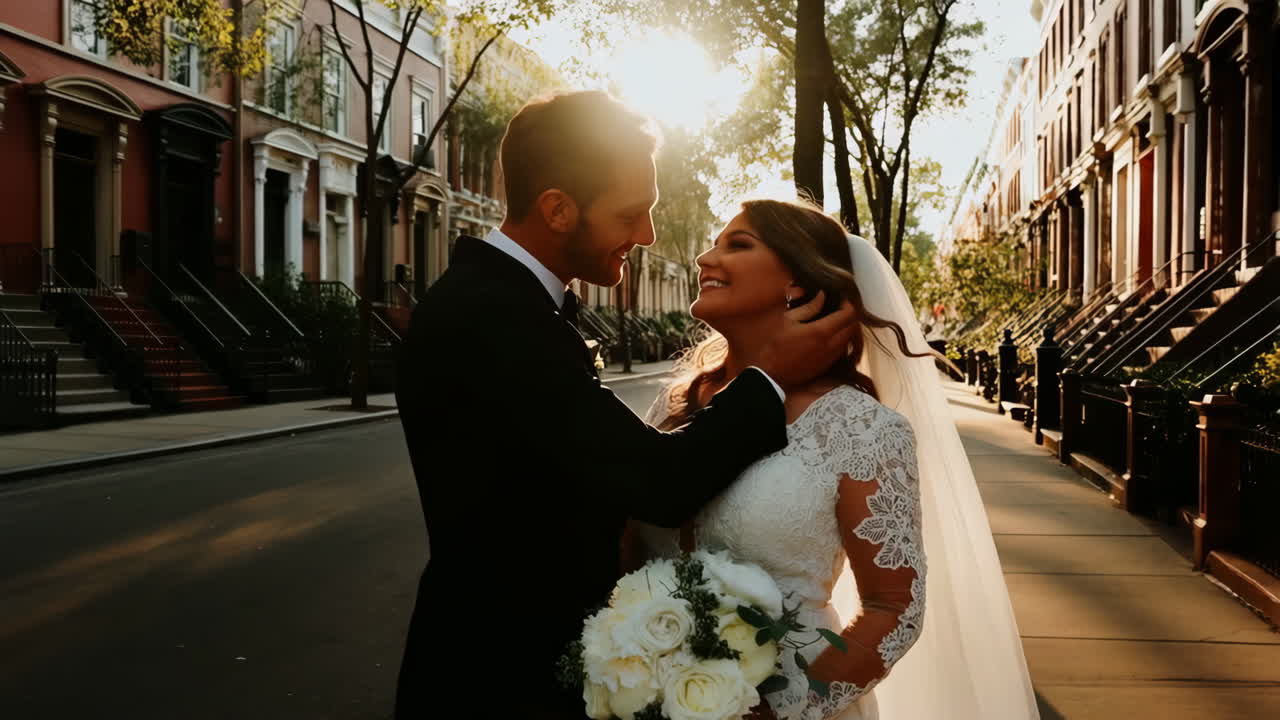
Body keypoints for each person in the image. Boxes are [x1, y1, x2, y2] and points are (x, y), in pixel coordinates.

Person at [393, 92, 857, 718]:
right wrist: (771, 376)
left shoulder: (508, 306)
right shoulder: (495, 318)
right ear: (558, 209)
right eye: (632, 214)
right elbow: (657, 482)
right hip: (498, 679)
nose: (648, 235)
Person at [638, 199, 1040, 720]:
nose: (703, 258)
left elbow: (894, 608)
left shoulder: (861, 429)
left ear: (798, 284)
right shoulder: (674, 408)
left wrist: (783, 708)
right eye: (716, 243)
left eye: (737, 245)